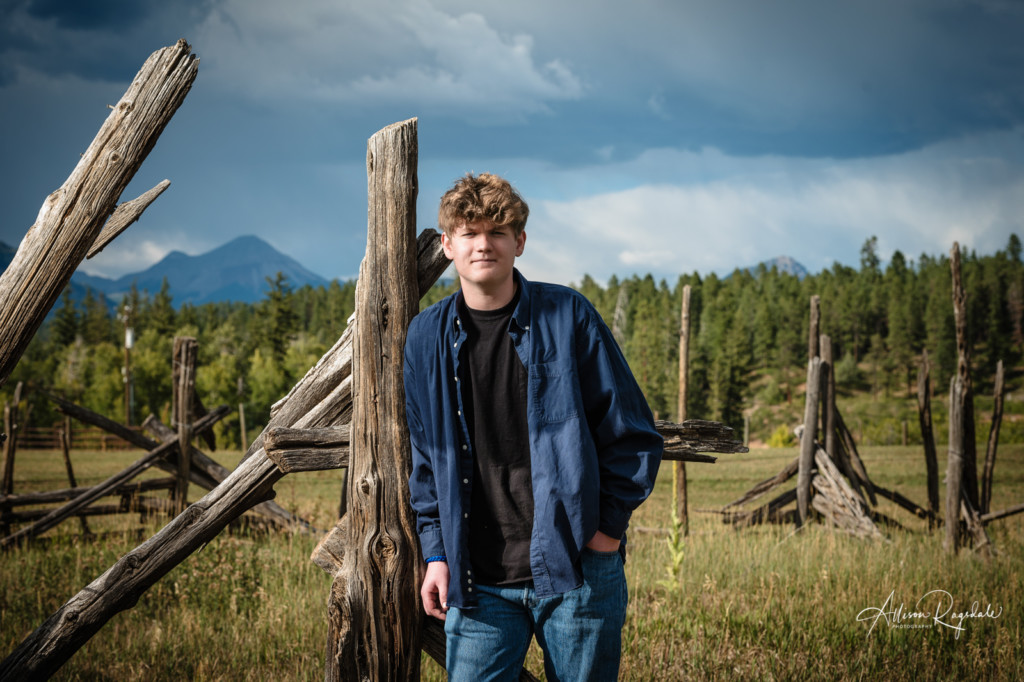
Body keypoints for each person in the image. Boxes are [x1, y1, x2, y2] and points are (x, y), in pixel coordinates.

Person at [404, 172, 663, 681]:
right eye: (470, 232)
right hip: (477, 580)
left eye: (498, 232)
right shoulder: (425, 337)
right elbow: (426, 458)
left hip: (578, 571)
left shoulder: (568, 316)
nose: (484, 244)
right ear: (447, 245)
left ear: (519, 242)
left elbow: (631, 433)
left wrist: (606, 533)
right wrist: (436, 552)